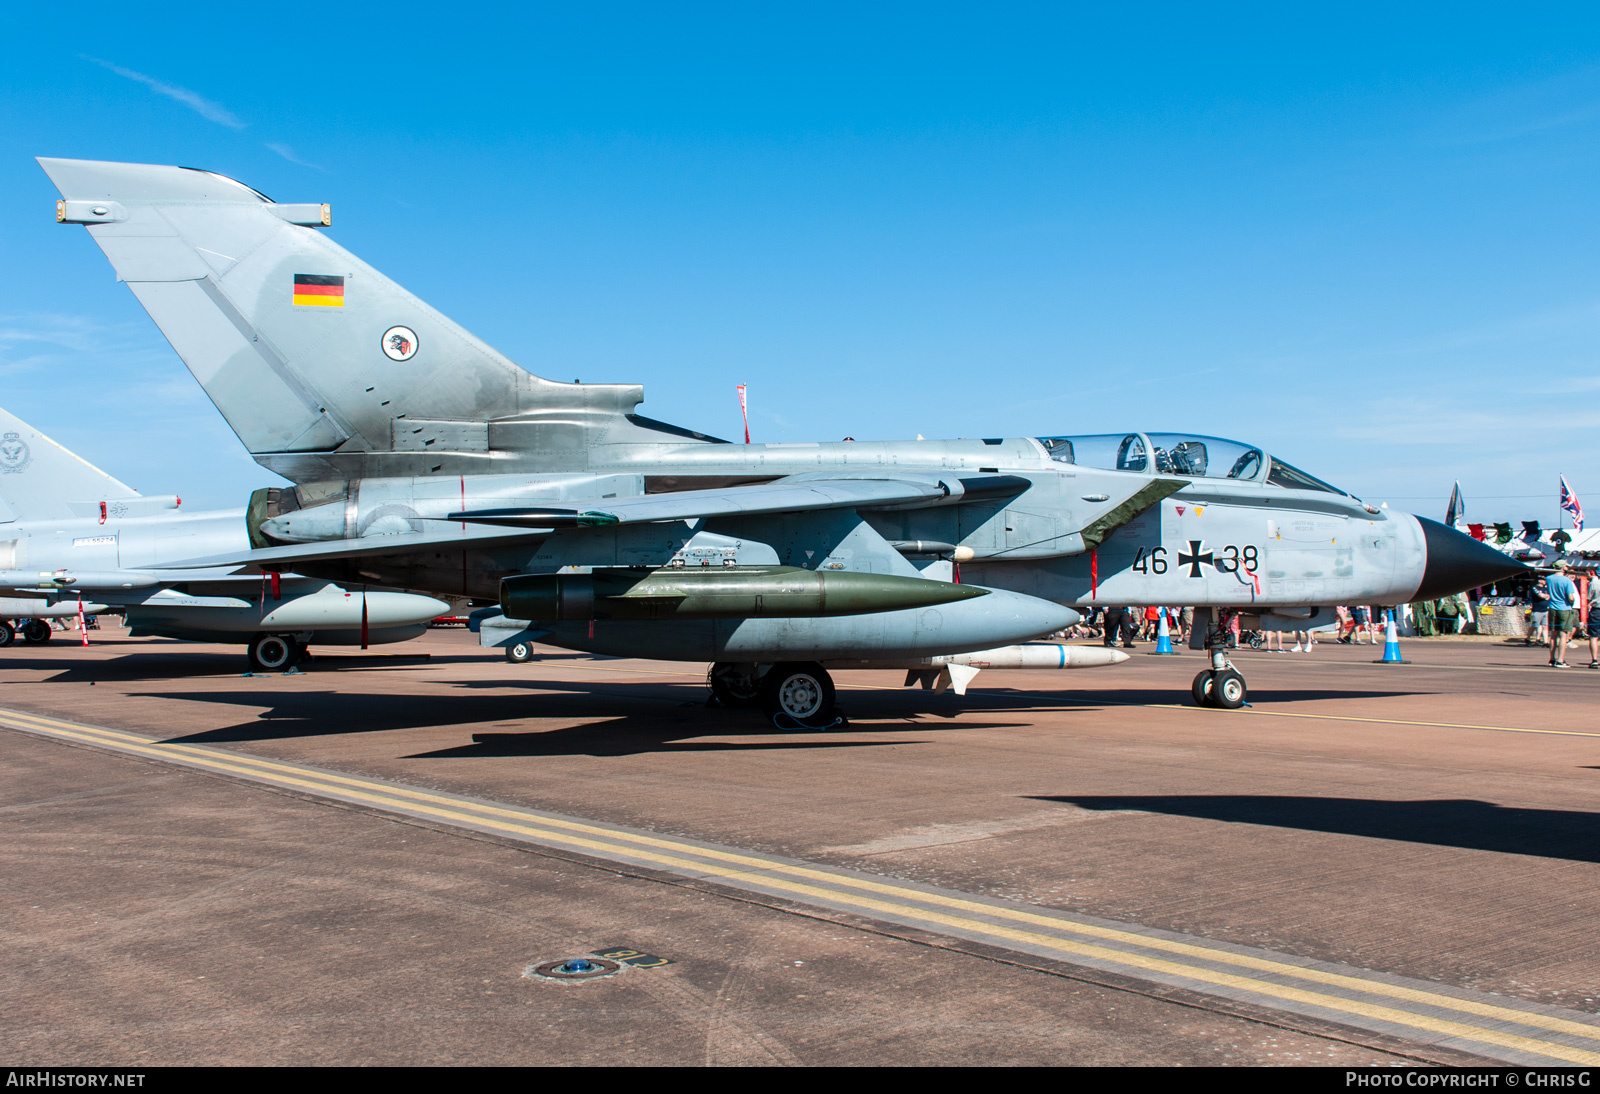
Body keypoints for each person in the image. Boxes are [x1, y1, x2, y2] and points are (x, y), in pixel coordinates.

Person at [1545, 561, 1579, 668]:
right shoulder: (1567, 580)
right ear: (1564, 567)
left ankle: (1552, 659)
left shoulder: (1549, 578)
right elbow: (1570, 597)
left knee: (1553, 635)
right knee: (1563, 635)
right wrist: (1571, 603)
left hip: (1552, 607)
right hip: (1564, 608)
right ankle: (1560, 660)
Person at [1527, 577, 1550, 647]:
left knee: (1545, 626)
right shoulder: (1535, 588)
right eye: (1543, 580)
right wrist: (1545, 596)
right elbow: (1541, 596)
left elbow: (1548, 596)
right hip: (1537, 610)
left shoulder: (1546, 588)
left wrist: (1546, 596)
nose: (1544, 581)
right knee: (1535, 625)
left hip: (1545, 610)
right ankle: (1527, 638)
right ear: (1539, 580)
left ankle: (1546, 642)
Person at [1587, 575, 1600, 669]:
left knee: (1594, 636)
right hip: (1596, 609)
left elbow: (1589, 597)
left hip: (1596, 609)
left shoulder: (1594, 583)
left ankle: (1594, 660)